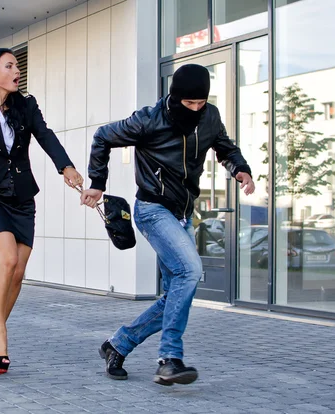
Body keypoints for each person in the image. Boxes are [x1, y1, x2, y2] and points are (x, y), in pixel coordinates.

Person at [81, 64, 254, 386]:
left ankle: (118, 345)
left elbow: (224, 146)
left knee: (178, 290)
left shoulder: (210, 116)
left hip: (183, 212)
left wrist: (239, 168)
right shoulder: (149, 119)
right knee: (189, 272)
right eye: (189, 104)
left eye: (201, 103)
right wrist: (97, 182)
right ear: (175, 98)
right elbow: (102, 136)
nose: (196, 109)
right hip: (152, 209)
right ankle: (169, 358)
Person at [0, 48, 83, 374]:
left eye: (17, 66)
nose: (16, 71)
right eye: (9, 66)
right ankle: (1, 333)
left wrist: (65, 166)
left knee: (18, 272)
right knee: (7, 259)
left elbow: (46, 136)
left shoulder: (27, 105)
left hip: (23, 199)